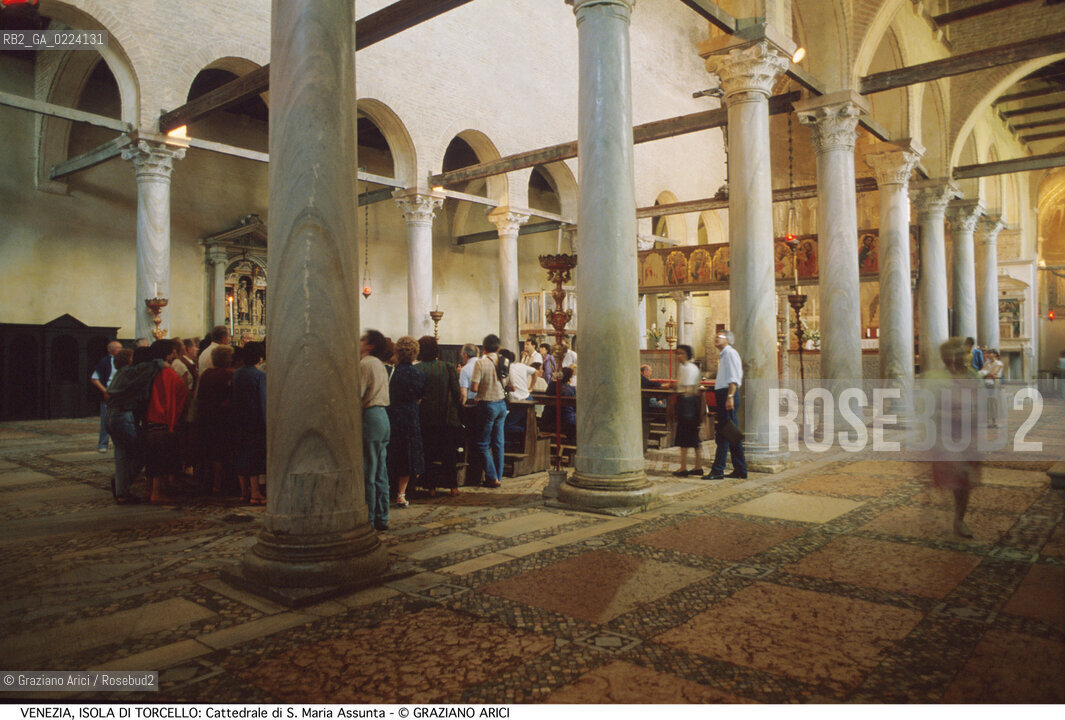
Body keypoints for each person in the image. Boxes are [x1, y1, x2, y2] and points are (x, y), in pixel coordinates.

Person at [144, 340, 189, 504]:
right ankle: (157, 493)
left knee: (152, 458)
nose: (175, 355)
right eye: (172, 352)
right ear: (167, 354)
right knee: (161, 459)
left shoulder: (150, 370)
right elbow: (179, 393)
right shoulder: (167, 372)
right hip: (164, 419)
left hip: (150, 418)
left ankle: (149, 489)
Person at [417, 336, 462, 497]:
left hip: (425, 417)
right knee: (448, 452)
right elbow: (457, 393)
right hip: (446, 416)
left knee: (428, 452)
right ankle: (453, 487)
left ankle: (431, 488)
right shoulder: (448, 367)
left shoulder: (418, 368)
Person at [387, 336, 426, 508]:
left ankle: (390, 489)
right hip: (410, 416)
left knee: (394, 452)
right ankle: (401, 493)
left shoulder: (391, 372)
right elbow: (419, 396)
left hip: (393, 414)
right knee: (409, 453)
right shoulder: (417, 373)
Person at [360, 330, 391, 531]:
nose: (359, 342)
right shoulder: (379, 364)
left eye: (363, 339)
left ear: (370, 345)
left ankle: (369, 519)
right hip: (383, 417)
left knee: (368, 473)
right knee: (380, 472)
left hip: (370, 416)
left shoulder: (365, 364)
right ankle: (382, 517)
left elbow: (357, 393)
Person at [705, 331, 746, 480]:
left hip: (728, 395)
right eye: (715, 336)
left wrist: (730, 396)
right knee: (732, 435)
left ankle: (718, 470)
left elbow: (734, 377)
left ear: (728, 340)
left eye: (720, 336)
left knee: (724, 434)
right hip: (724, 395)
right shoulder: (724, 355)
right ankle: (740, 470)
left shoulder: (730, 353)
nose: (716, 338)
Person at [196, 344, 235, 495]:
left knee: (207, 452)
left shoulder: (206, 374)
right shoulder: (226, 375)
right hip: (220, 418)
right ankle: (218, 485)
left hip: (205, 416)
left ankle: (206, 482)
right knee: (219, 453)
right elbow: (227, 399)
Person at [470, 334, 508, 488]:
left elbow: (474, 387)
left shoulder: (481, 363)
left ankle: (492, 477)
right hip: (501, 405)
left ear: (484, 348)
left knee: (482, 443)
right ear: (498, 348)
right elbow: (511, 386)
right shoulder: (505, 362)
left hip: (487, 405)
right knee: (499, 443)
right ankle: (498, 475)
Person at [232, 342, 267, 505]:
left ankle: (243, 491)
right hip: (254, 421)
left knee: (241, 454)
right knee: (254, 457)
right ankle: (255, 492)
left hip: (238, 419)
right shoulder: (259, 375)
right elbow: (262, 401)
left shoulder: (237, 373)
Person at [671, 345, 706, 477]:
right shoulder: (683, 367)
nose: (678, 356)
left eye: (681, 353)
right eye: (677, 353)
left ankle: (690, 466)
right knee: (687, 436)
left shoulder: (690, 368)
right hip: (685, 402)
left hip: (689, 403)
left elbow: (689, 389)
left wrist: (677, 388)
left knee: (689, 435)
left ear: (687, 355)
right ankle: (692, 466)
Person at [90, 341, 122, 452]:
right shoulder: (105, 362)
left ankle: (120, 443)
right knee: (106, 420)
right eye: (119, 348)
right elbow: (94, 378)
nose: (121, 350)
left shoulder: (125, 362)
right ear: (111, 350)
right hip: (109, 393)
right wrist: (105, 391)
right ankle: (103, 444)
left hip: (121, 394)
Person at [542, 366, 576, 440]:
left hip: (548, 418)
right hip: (564, 421)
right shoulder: (570, 389)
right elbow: (575, 407)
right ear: (569, 377)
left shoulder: (551, 385)